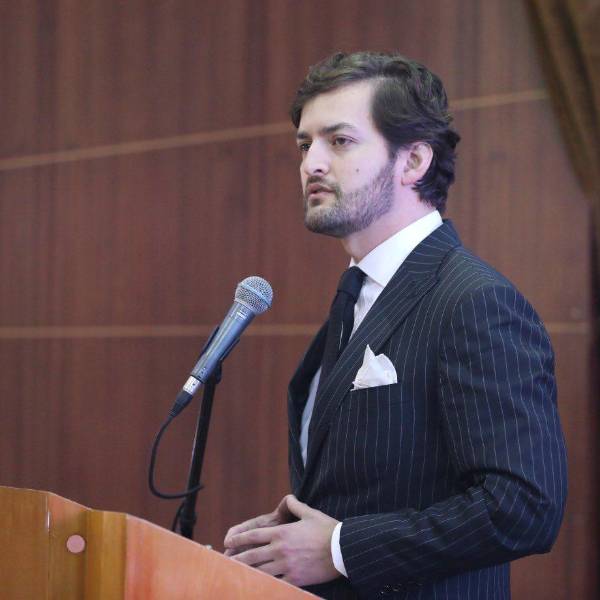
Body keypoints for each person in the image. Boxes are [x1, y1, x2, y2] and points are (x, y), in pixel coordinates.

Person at [224, 51, 567, 599]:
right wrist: (291, 539)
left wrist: (340, 548)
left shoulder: (475, 301)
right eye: (305, 144)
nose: (312, 163)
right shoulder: (357, 296)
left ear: (413, 162)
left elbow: (524, 508)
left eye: (339, 141)